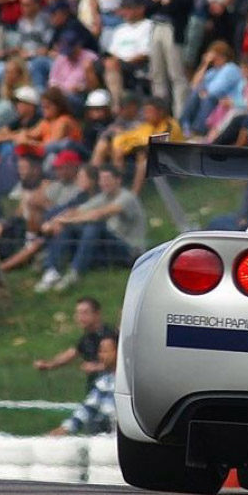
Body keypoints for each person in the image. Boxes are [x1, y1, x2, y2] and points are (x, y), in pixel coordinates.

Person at [35, 164, 146, 292]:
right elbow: (76, 210)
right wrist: (55, 221)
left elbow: (98, 214)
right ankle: (52, 270)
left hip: (129, 251)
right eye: (102, 180)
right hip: (106, 247)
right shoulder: (103, 197)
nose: (104, 183)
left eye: (107, 179)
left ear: (118, 180)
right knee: (69, 228)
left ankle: (75, 271)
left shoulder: (127, 197)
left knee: (94, 226)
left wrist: (66, 221)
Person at [33, 296, 117, 391]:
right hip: (97, 387)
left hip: (111, 388)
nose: (80, 317)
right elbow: (71, 354)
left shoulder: (107, 336)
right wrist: (49, 364)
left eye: (85, 313)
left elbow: (118, 364)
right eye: (78, 313)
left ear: (97, 314)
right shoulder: (87, 337)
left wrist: (97, 367)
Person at [148, 0, 194, 118]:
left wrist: (165, 2)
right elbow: (149, 5)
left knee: (176, 73)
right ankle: (159, 113)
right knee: (157, 72)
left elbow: (181, 5)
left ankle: (180, 114)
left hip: (173, 29)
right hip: (156, 26)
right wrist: (163, 2)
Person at [51, 335, 118, 436]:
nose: (101, 356)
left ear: (119, 352)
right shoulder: (104, 381)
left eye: (105, 351)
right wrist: (66, 428)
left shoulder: (130, 382)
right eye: (100, 351)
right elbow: (89, 407)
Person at [180, 40, 242, 137]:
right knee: (196, 94)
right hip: (215, 99)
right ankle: (185, 125)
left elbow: (215, 91)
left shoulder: (230, 68)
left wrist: (204, 92)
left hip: (229, 101)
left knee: (208, 98)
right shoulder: (213, 71)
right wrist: (204, 64)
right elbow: (194, 85)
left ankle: (199, 131)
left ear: (222, 56)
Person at [102, 0, 152, 112]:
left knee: (112, 64)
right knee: (91, 65)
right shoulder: (120, 29)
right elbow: (113, 52)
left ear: (140, 9)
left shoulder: (148, 26)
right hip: (118, 64)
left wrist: (122, 62)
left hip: (137, 66)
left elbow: (145, 54)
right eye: (124, 8)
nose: (125, 12)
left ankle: (116, 104)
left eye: (129, 8)